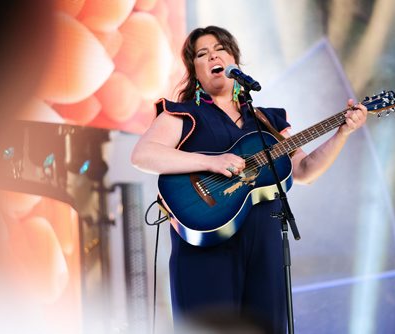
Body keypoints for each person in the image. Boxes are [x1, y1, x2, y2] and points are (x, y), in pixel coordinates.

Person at [131, 25, 367, 333]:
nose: (213, 55)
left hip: (265, 246)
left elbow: (304, 170)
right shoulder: (183, 115)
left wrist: (343, 133)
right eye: (202, 54)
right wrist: (210, 162)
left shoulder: (267, 119)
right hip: (205, 250)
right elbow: (143, 155)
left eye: (220, 49)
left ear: (235, 62)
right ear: (195, 72)